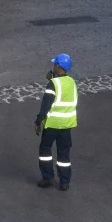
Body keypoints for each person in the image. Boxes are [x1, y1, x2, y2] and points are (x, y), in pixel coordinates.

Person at [34, 53, 78, 192]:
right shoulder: (71, 82)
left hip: (52, 125)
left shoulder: (52, 84)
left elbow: (46, 105)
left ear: (59, 67)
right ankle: (64, 182)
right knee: (64, 154)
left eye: (54, 65)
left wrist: (38, 121)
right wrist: (54, 79)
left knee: (45, 150)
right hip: (66, 126)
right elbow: (65, 95)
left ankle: (48, 178)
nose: (53, 66)